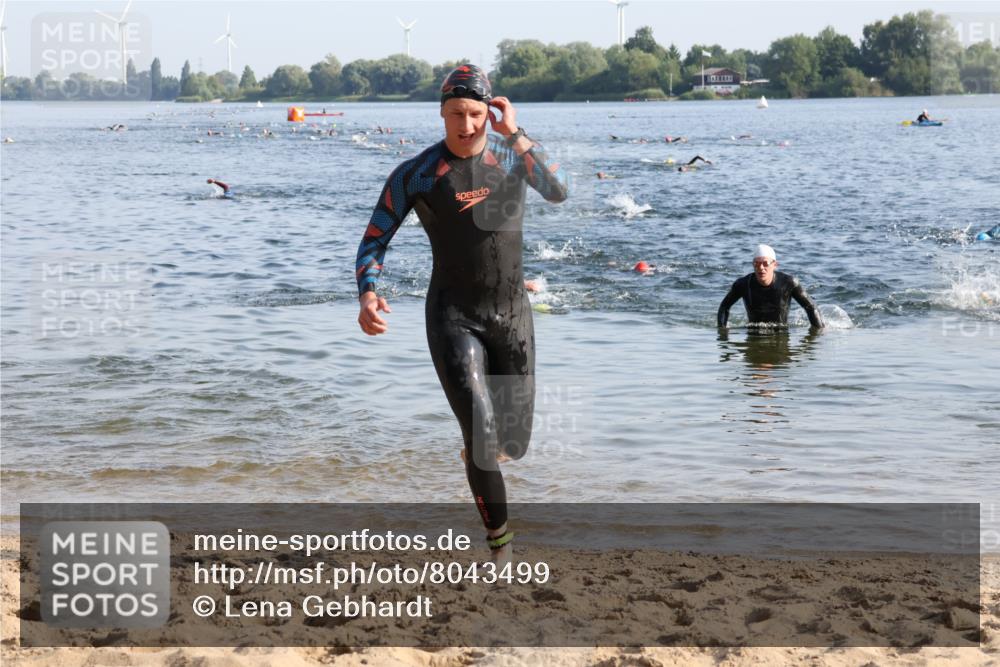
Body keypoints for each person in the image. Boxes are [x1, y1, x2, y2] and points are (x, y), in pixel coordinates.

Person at [354, 64, 568, 562]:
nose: (466, 125)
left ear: (489, 112)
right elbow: (373, 241)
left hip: (512, 318)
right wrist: (368, 293)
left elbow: (558, 190)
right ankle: (501, 547)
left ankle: (480, 449)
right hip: (453, 316)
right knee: (481, 432)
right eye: (456, 114)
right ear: (441, 113)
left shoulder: (513, 156)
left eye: (475, 113)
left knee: (513, 445)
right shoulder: (417, 173)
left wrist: (515, 133)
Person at [717, 244, 824, 329]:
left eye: (765, 263)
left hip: (781, 332)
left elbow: (810, 307)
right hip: (754, 332)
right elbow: (724, 306)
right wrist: (722, 332)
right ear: (753, 264)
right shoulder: (742, 284)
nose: (761, 268)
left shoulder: (789, 283)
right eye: (757, 264)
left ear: (774, 265)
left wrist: (818, 331)